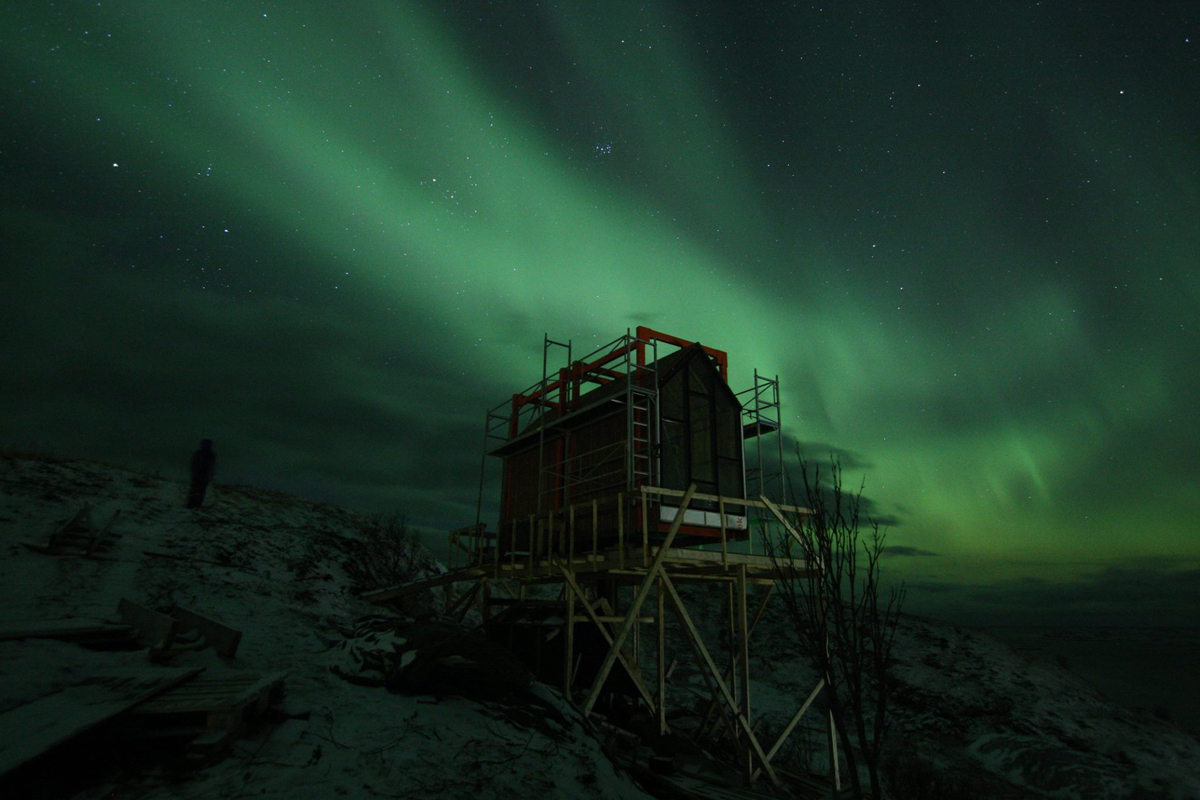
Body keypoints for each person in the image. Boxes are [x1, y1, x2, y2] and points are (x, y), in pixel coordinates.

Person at [187, 439, 216, 508]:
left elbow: (193, 464)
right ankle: (196, 505)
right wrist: (210, 475)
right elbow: (212, 466)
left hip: (198, 475)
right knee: (200, 491)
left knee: (195, 490)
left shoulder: (198, 453)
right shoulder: (210, 455)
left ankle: (192, 505)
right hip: (202, 475)